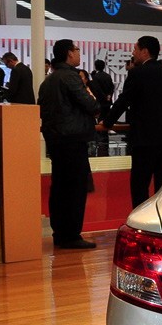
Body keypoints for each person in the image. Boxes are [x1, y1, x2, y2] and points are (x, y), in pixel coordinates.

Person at [101, 35, 162, 208]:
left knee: (140, 185)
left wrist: (107, 122)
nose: (133, 53)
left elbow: (123, 101)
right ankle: (161, 218)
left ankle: (140, 219)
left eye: (135, 49)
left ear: (144, 51)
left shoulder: (137, 73)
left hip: (144, 139)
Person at [38, 39, 100, 249]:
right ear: (68, 53)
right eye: (76, 49)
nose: (79, 52)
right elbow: (91, 105)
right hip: (73, 139)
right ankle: (72, 235)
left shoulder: (48, 80)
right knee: (75, 188)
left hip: (56, 140)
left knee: (59, 187)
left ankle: (60, 233)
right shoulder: (70, 77)